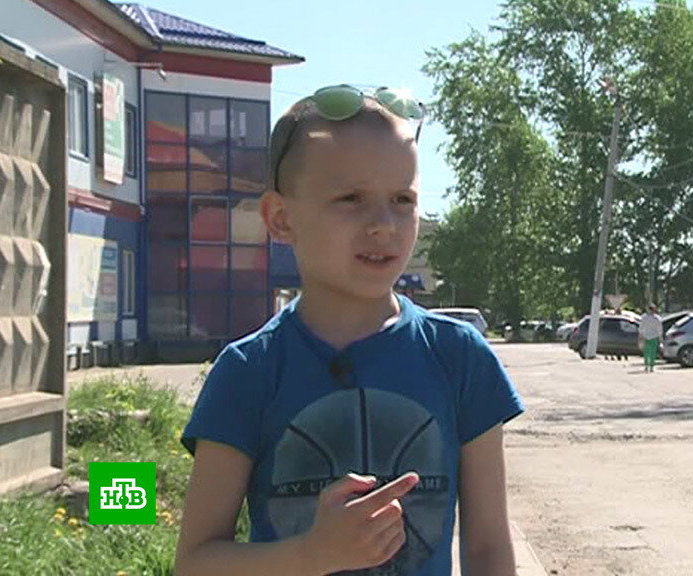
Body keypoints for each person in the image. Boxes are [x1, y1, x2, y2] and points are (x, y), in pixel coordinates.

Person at [174, 85, 524, 576]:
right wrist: (311, 555)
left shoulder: (460, 357)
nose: (384, 224)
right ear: (281, 218)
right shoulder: (248, 371)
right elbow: (195, 562)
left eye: (402, 199)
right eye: (351, 198)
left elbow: (488, 550)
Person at [639, 305, 664, 373]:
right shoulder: (657, 318)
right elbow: (659, 329)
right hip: (653, 337)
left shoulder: (644, 317)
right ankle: (651, 366)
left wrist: (640, 336)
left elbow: (641, 328)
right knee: (652, 352)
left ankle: (647, 366)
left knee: (646, 352)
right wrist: (660, 338)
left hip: (646, 336)